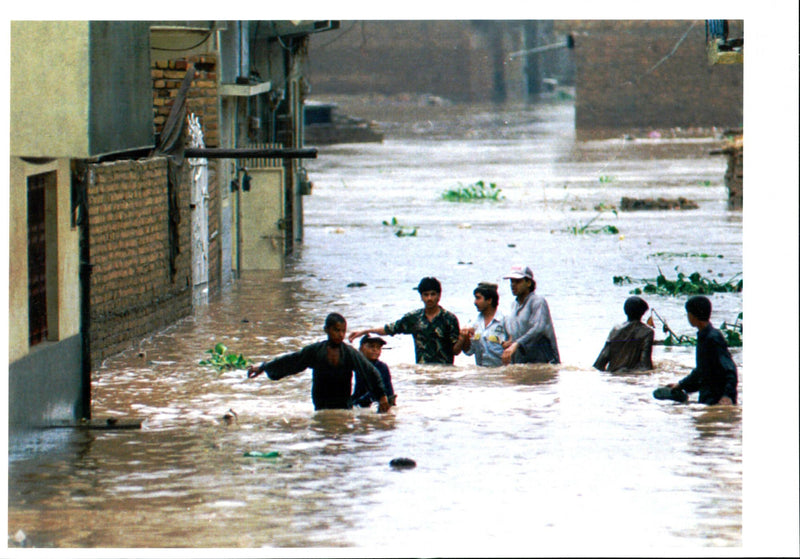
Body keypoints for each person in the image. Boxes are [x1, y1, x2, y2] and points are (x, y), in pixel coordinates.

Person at [247, 313, 390, 413]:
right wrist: (263, 367)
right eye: (336, 330)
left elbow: (370, 372)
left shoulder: (349, 353)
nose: (340, 335)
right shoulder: (315, 351)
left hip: (343, 406)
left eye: (343, 331)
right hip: (321, 404)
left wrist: (382, 397)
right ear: (326, 330)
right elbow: (291, 361)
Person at [348, 277, 463, 364]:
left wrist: (463, 338)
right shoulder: (414, 318)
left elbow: (456, 351)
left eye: (433, 294)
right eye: (426, 295)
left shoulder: (449, 319)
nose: (429, 298)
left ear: (439, 295)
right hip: (423, 372)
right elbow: (390, 329)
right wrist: (365, 331)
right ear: (421, 296)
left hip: (445, 373)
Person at [655, 295, 738, 405]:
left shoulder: (713, 338)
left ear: (692, 315)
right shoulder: (704, 336)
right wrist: (681, 385)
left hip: (717, 397)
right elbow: (701, 371)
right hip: (708, 396)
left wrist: (727, 396)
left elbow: (730, 370)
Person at [501, 265, 560, 365]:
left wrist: (517, 343)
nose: (513, 285)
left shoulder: (538, 302)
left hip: (544, 362)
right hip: (522, 362)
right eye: (512, 281)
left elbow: (538, 328)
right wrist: (508, 342)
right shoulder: (514, 305)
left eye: (517, 281)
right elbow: (515, 331)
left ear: (528, 283)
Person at [593, 296, 655, 372]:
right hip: (633, 376)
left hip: (612, 376)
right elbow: (645, 364)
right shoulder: (647, 332)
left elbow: (600, 363)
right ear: (643, 312)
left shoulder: (615, 330)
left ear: (625, 311)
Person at [459, 282, 508, 367]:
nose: (475, 302)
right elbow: (469, 352)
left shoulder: (505, 320)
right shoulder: (473, 323)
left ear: (489, 300)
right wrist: (464, 337)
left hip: (501, 373)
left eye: (478, 298)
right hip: (482, 373)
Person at [352, 334, 397, 408]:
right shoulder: (357, 364)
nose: (375, 350)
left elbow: (389, 390)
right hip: (360, 401)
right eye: (371, 346)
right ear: (361, 348)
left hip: (374, 402)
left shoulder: (382, 367)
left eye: (378, 347)